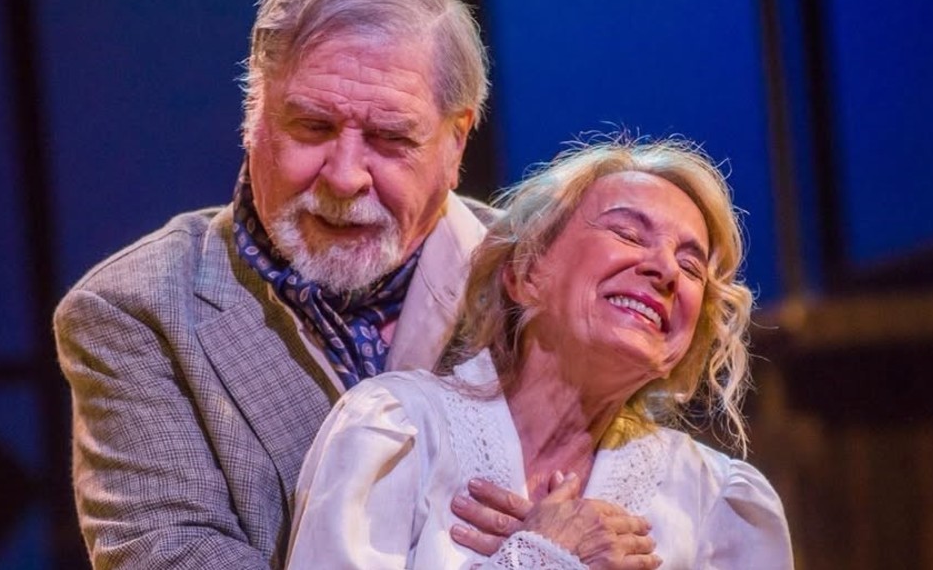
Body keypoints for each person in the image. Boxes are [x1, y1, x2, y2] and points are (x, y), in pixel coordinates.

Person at [54, 0, 495, 567]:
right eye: (313, 127)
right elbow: (168, 555)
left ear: (456, 142)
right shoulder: (137, 310)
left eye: (389, 138)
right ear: (254, 116)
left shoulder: (540, 276)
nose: (345, 177)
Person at [285, 138, 794, 568]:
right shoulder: (399, 431)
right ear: (526, 273)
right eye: (627, 233)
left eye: (691, 267)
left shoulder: (713, 503)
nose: (665, 270)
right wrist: (541, 555)